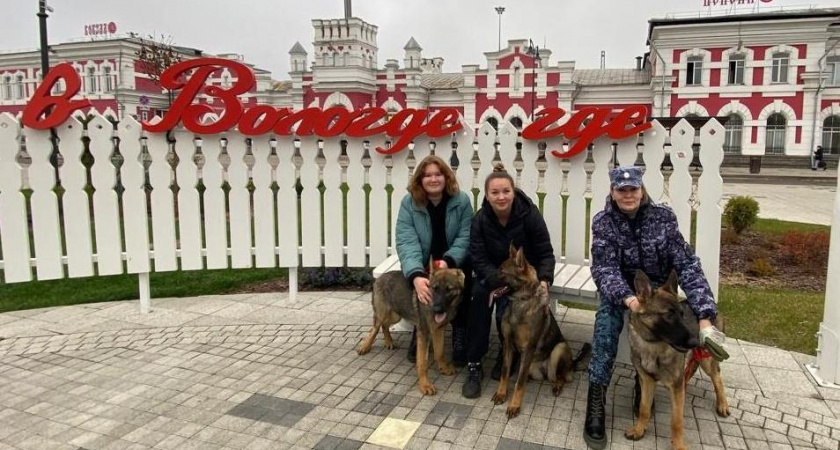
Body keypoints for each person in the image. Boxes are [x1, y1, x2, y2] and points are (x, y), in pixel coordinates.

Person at [583, 166, 729, 450]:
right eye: (621, 190)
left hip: (661, 292)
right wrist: (629, 299)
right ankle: (596, 400)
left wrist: (705, 316)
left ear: (642, 190)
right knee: (605, 327)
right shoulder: (603, 222)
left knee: (676, 326)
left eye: (633, 189)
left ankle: (646, 382)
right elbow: (604, 268)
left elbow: (687, 264)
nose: (628, 195)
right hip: (624, 294)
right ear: (612, 193)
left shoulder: (663, 219)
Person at [462, 164, 556, 399]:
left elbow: (545, 253)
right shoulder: (481, 219)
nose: (501, 196)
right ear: (486, 195)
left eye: (506, 191)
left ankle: (506, 357)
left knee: (514, 308)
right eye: (495, 192)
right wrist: (497, 281)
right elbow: (477, 256)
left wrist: (544, 280)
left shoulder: (529, 214)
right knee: (479, 299)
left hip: (524, 280)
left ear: (514, 192)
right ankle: (474, 362)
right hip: (494, 275)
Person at [395, 155, 473, 367]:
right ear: (420, 180)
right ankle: (421, 326)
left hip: (454, 260)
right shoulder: (409, 203)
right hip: (423, 261)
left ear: (446, 177)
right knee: (420, 286)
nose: (433, 179)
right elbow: (406, 241)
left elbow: (465, 236)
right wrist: (416, 276)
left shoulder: (462, 200)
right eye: (427, 175)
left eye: (438, 174)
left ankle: (459, 330)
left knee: (463, 283)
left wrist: (448, 260)